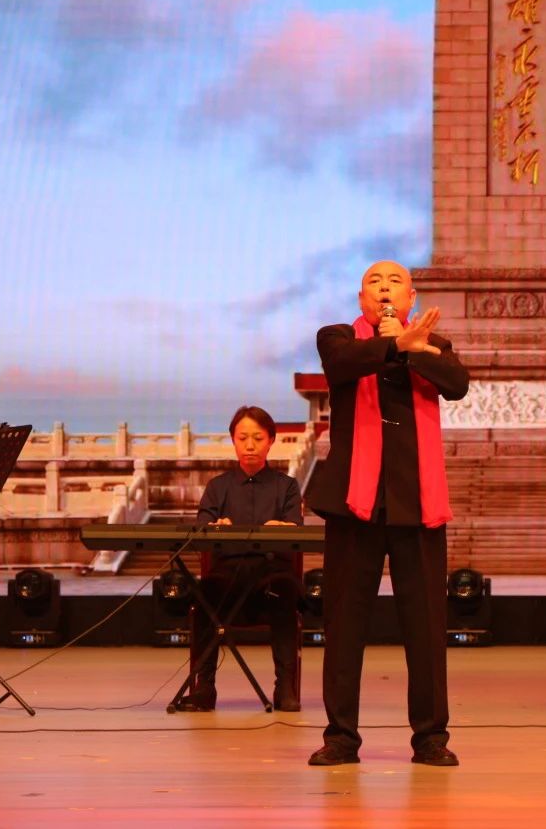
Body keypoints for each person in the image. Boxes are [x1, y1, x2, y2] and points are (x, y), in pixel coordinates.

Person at [304, 260, 469, 767]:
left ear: (411, 298)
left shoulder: (434, 345)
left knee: (425, 626)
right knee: (344, 624)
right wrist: (396, 345)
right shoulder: (338, 337)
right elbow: (342, 365)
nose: (384, 289)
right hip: (354, 502)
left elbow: (457, 384)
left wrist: (415, 349)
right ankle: (341, 738)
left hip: (416, 502)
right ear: (361, 299)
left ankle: (431, 738)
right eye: (374, 282)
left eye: (394, 282)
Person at [176, 405, 304, 712]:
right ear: (233, 440)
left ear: (270, 441)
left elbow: (296, 531)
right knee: (205, 593)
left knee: (285, 590)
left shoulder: (286, 486)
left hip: (271, 576)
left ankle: (285, 687)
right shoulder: (218, 487)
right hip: (228, 577)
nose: (250, 445)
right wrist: (215, 528)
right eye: (242, 438)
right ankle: (204, 687)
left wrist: (284, 529)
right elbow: (201, 528)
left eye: (257, 438)